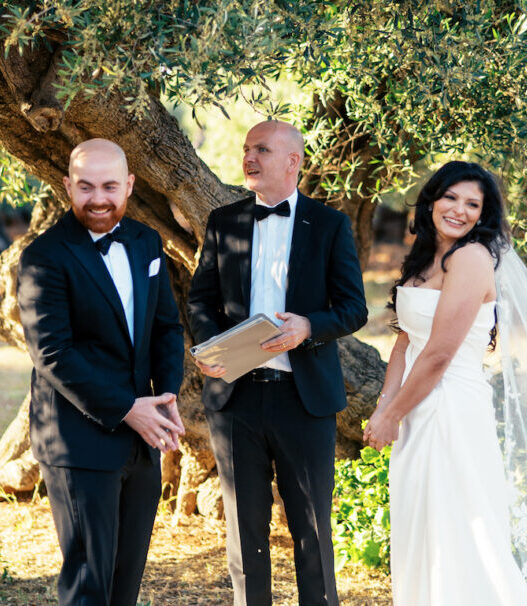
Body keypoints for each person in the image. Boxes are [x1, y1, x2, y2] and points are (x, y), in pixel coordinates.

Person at [188, 120, 367, 606]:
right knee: (245, 533)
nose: (249, 157)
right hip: (236, 399)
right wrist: (213, 346)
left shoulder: (329, 225)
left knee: (311, 529)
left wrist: (309, 326)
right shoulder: (223, 222)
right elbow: (200, 300)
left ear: (293, 162)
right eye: (247, 149)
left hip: (304, 400)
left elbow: (354, 308)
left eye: (261, 149)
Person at [17, 138, 185, 606]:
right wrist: (128, 409)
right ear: (68, 186)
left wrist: (166, 398)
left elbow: (166, 327)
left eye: (110, 186)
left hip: (141, 435)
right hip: (78, 440)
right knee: (90, 586)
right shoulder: (43, 257)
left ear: (129, 185)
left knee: (124, 584)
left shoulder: (147, 241)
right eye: (86, 186)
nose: (98, 199)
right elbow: (52, 353)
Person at [364, 161, 527, 605]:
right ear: (432, 199)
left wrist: (393, 415)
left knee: (457, 530)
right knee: (420, 524)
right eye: (451, 197)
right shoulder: (426, 256)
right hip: (414, 406)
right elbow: (406, 342)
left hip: (451, 410)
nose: (459, 210)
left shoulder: (471, 258)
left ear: (484, 215)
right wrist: (385, 408)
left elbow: (439, 354)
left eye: (472, 204)